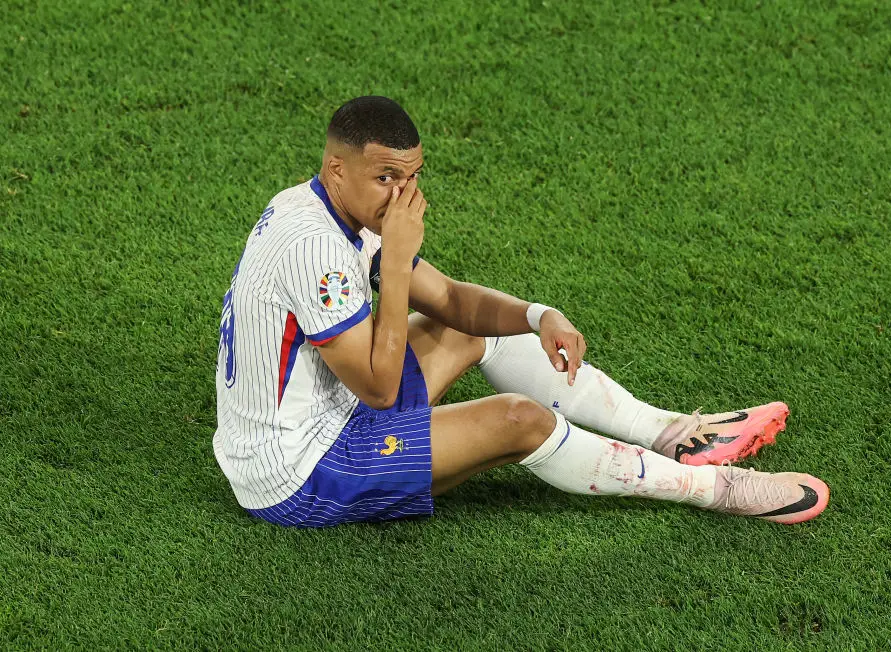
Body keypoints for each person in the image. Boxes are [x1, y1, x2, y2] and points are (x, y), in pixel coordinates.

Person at [214, 96, 830, 528]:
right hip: (298, 472)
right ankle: (716, 490)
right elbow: (377, 388)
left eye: (413, 178)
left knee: (460, 328)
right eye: (386, 178)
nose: (403, 196)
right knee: (518, 421)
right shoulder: (314, 248)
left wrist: (539, 315)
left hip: (328, 411)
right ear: (337, 168)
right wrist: (396, 263)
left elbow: (453, 301)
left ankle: (670, 434)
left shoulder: (330, 206)